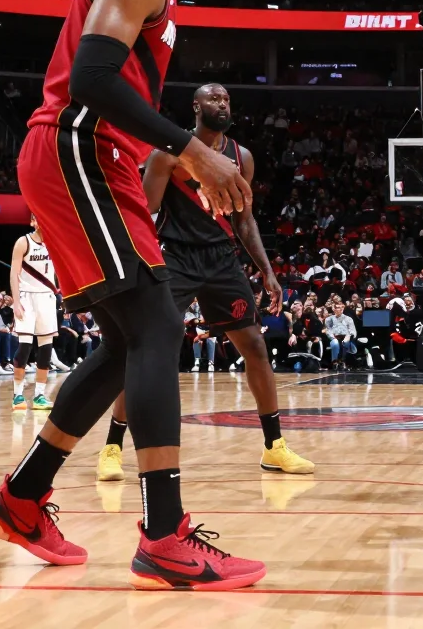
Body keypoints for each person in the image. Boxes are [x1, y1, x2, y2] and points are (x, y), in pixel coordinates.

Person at [0, 0, 265, 590]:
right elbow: (92, 83)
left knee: (125, 342)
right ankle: (164, 537)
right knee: (160, 328)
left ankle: (21, 498)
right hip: (78, 148)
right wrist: (193, 150)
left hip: (96, 157)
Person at [98, 83, 313, 482]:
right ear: (196, 107)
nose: (222, 104)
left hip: (221, 259)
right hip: (175, 257)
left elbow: (244, 220)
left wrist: (266, 271)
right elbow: (145, 213)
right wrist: (137, 267)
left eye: (227, 99)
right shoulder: (167, 154)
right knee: (144, 349)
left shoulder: (241, 157)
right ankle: (111, 447)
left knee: (255, 347)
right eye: (214, 99)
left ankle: (274, 447)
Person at [8, 216, 60, 411]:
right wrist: (16, 302)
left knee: (46, 349)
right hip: (26, 297)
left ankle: (39, 395)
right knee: (24, 347)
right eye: (37, 218)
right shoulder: (23, 242)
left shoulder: (56, 241)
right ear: (32, 222)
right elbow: (14, 273)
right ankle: (17, 394)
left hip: (47, 297)